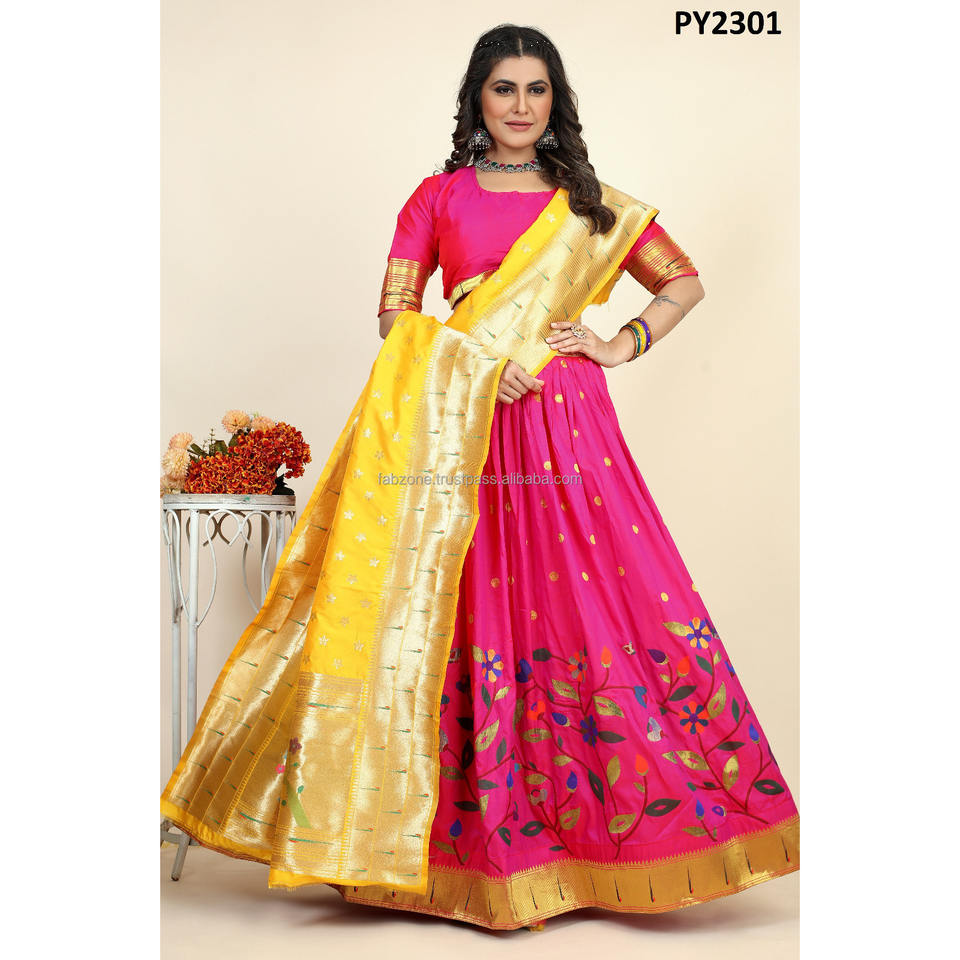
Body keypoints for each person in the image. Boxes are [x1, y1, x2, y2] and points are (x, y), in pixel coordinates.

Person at [161, 23, 799, 932]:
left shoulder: (591, 206)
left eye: (537, 89)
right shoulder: (437, 197)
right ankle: (444, 846)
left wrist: (617, 343)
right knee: (457, 601)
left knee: (580, 596)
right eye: (505, 89)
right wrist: (474, 366)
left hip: (563, 419)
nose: (521, 106)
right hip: (459, 422)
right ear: (477, 99)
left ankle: (588, 842)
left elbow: (684, 283)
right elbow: (395, 318)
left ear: (556, 100)